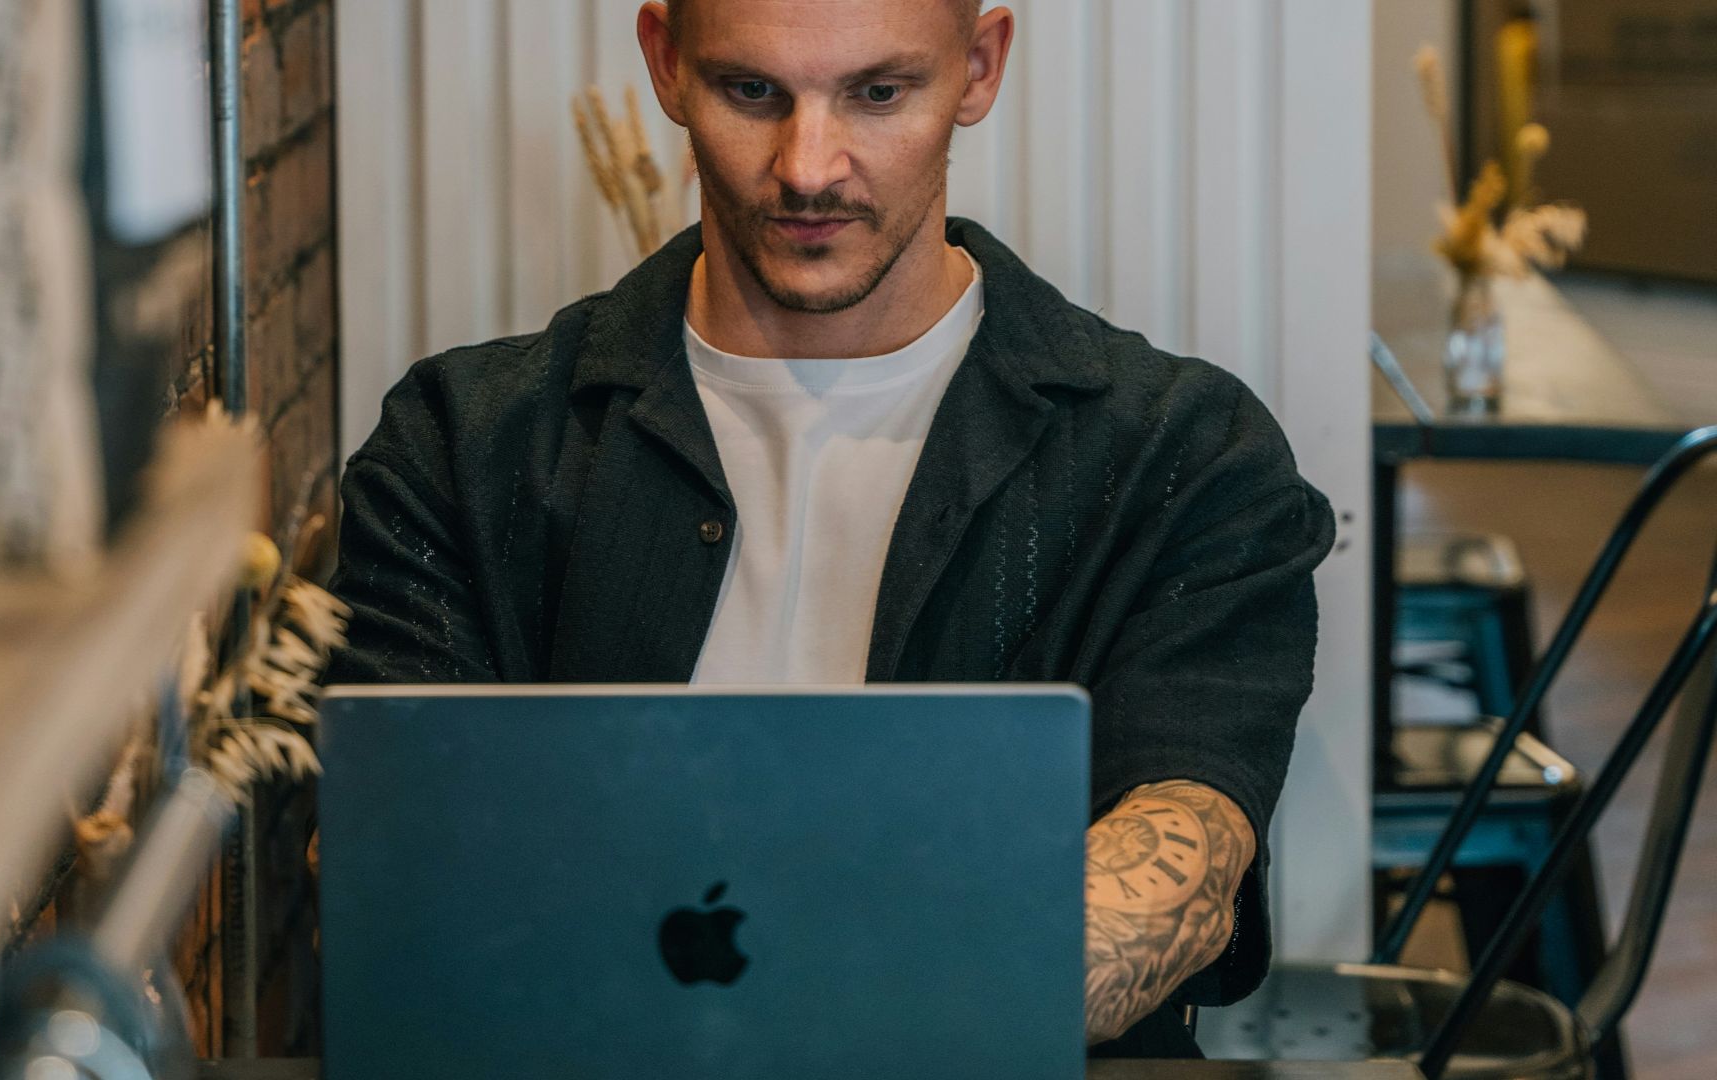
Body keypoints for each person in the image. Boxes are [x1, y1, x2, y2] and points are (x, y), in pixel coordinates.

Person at [326, 0, 1335, 1058]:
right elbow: (397, 860)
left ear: (980, 67)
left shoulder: (1179, 455)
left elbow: (1186, 846)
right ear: (666, 64)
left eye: (878, 92)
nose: (809, 167)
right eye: (752, 91)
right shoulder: (465, 445)